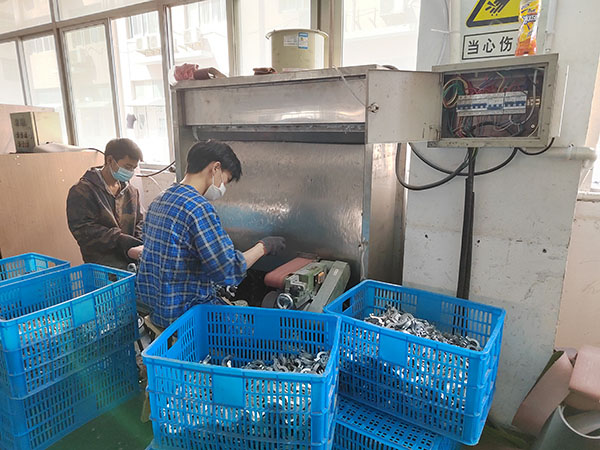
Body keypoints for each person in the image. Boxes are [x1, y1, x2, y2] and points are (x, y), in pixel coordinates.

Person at [136, 140, 285, 328]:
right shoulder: (198, 208)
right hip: (186, 317)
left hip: (156, 309)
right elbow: (227, 270)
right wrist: (264, 247)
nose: (223, 188)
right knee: (256, 332)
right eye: (226, 180)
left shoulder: (160, 199)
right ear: (215, 168)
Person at [67, 138, 144, 270]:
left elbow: (140, 222)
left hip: (131, 261)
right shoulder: (83, 191)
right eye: (127, 167)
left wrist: (138, 243)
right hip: (102, 265)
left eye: (133, 168)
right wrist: (120, 240)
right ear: (110, 160)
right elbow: (83, 230)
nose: (130, 172)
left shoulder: (131, 192)